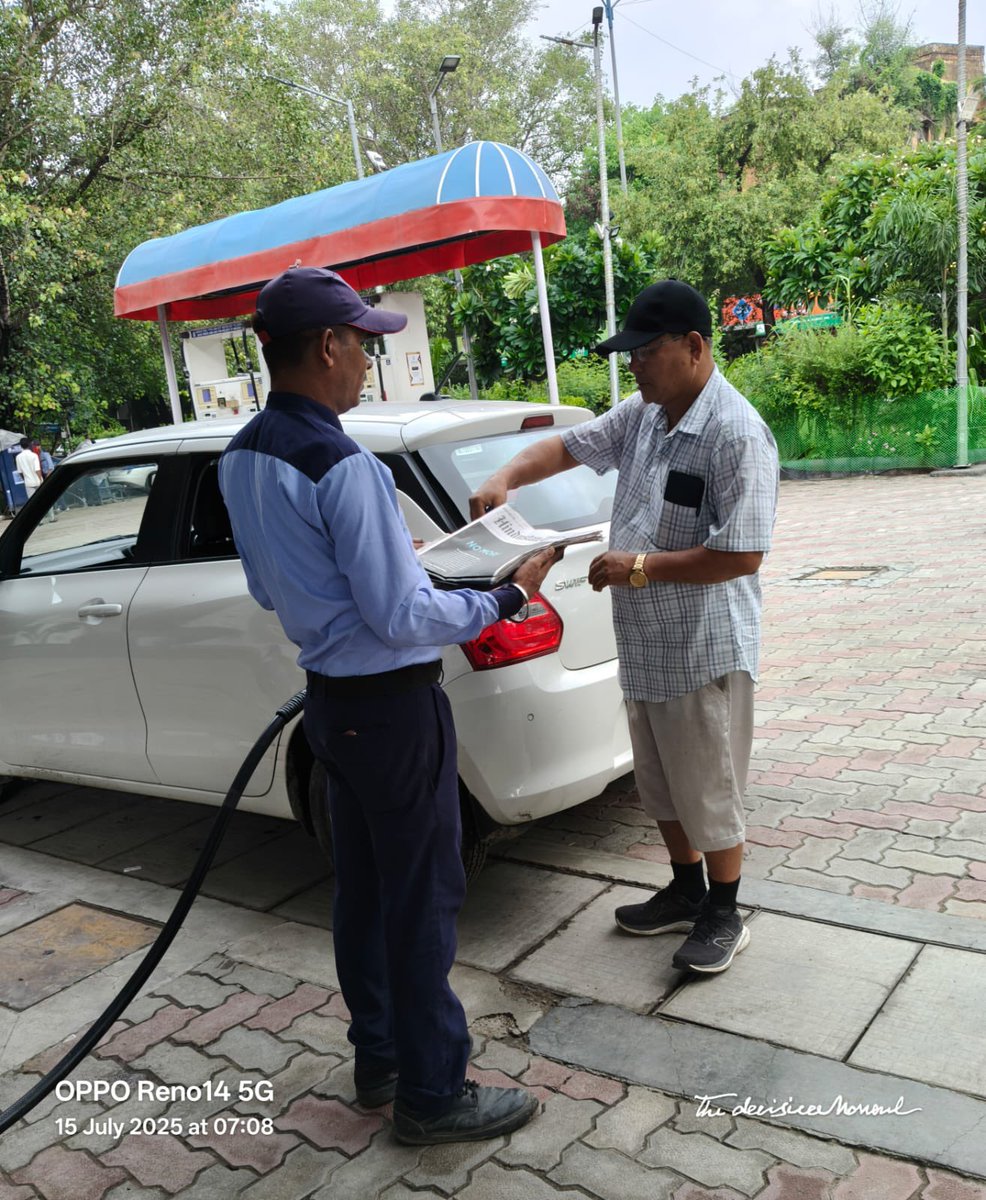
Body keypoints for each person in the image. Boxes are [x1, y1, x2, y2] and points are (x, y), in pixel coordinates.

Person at [218, 266, 554, 1144]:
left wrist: (384, 566)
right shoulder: (344, 463)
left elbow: (268, 587)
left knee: (363, 892)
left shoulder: (243, 457)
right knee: (422, 898)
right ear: (326, 346)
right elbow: (403, 615)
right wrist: (504, 598)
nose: (368, 361)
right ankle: (434, 1095)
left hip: (333, 709)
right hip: (395, 711)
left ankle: (380, 1060)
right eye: (363, 344)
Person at [470, 280, 779, 976]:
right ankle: (685, 887)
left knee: (709, 784)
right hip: (644, 644)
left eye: (644, 352)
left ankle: (725, 912)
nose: (632, 365)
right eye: (629, 354)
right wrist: (507, 475)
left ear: (694, 347)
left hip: (703, 648)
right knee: (661, 782)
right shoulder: (644, 414)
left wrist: (639, 566)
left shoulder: (736, 433)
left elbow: (744, 551)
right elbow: (570, 448)